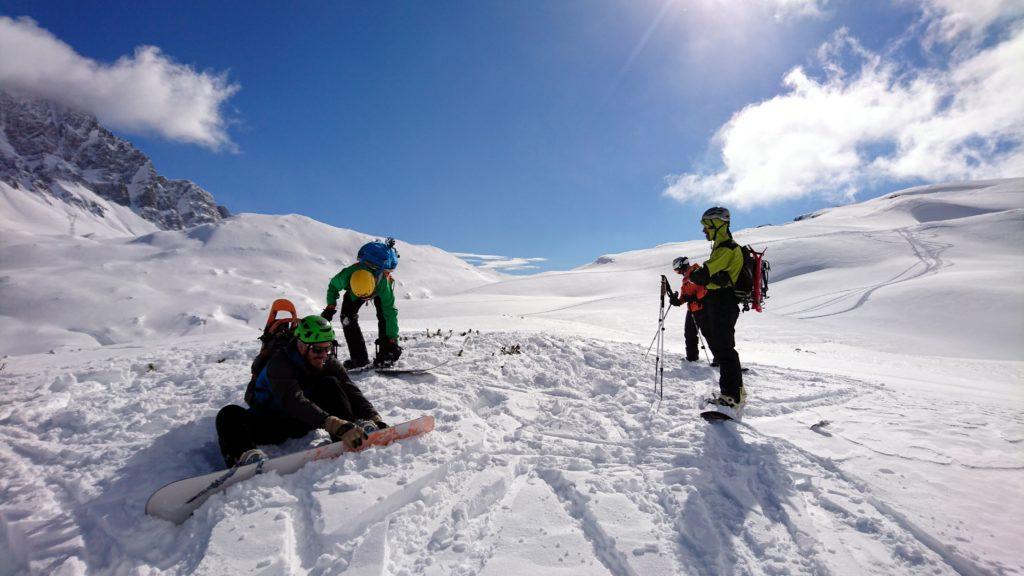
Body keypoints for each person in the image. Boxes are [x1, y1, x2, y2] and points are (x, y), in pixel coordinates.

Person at [215, 315, 388, 467]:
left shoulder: (327, 361)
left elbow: (351, 390)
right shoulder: (279, 364)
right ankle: (245, 457)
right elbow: (292, 400)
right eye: (318, 349)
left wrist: (373, 416)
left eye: (328, 348)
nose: (323, 355)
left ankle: (350, 434)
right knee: (228, 414)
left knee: (331, 384)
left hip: (305, 419)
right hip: (271, 421)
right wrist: (332, 423)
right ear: (302, 345)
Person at [687, 206, 746, 409]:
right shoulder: (721, 248)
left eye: (707, 226)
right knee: (723, 349)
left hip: (723, 302)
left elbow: (702, 276)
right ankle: (735, 392)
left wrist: (692, 272)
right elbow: (708, 278)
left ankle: (732, 397)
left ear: (717, 225)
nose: (704, 231)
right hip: (720, 301)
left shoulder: (726, 248)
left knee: (724, 349)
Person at [321, 239, 402, 369]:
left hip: (375, 289)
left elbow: (390, 314)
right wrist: (330, 307)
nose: (365, 299)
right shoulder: (346, 276)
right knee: (347, 318)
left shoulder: (383, 285)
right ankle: (359, 358)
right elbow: (333, 287)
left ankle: (386, 353)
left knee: (383, 316)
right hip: (354, 293)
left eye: (366, 296)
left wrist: (393, 340)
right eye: (362, 297)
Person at [664, 256, 712, 363]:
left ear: (682, 265)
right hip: (692, 310)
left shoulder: (696, 273)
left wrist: (694, 298)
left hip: (703, 309)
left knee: (709, 334)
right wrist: (677, 301)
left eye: (677, 268)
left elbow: (704, 289)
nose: (677, 271)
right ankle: (692, 357)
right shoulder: (686, 279)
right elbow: (685, 296)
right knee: (689, 334)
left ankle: (719, 359)